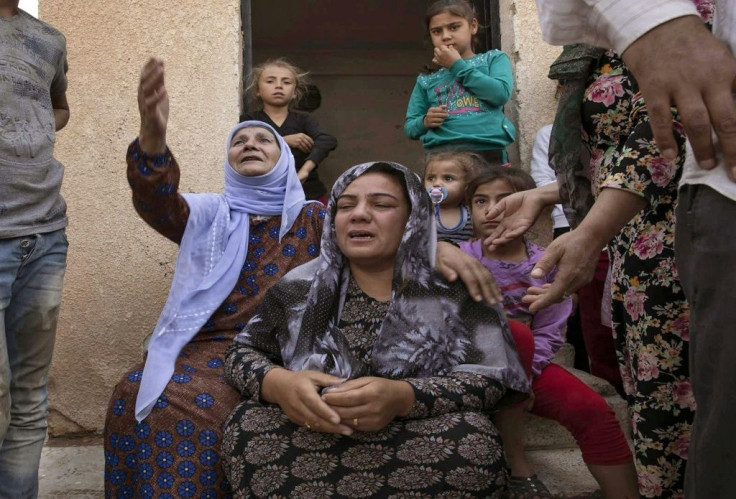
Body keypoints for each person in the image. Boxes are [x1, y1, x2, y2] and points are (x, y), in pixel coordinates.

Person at [105, 58, 503, 499]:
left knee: (197, 407)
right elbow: (156, 201)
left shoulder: (315, 217)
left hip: (294, 340)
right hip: (210, 347)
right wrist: (153, 138)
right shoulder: (205, 215)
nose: (250, 144)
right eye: (240, 140)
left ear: (283, 160)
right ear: (228, 158)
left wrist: (436, 244)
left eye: (263, 139)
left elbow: (380, 236)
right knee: (138, 392)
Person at [486, 2, 728, 495]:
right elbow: (615, 158)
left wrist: (590, 233)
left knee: (700, 417)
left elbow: (666, 139)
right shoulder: (609, 44)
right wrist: (547, 192)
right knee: (661, 416)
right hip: (634, 248)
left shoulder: (688, 24)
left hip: (681, 249)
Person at [221, 161, 531, 497]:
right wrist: (277, 383)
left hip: (420, 433)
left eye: (381, 204)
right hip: (312, 430)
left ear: (414, 218)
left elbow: (491, 378)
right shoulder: (296, 288)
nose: (359, 215)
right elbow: (243, 352)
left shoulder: (455, 285)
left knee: (472, 442)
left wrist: (405, 397)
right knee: (248, 425)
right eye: (346, 206)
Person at [460, 166, 638, 498]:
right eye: (480, 201)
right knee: (513, 332)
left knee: (593, 410)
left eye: (504, 200)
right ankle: (516, 465)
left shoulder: (547, 264)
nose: (491, 210)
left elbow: (550, 332)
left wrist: (525, 377)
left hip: (531, 365)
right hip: (466, 368)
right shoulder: (459, 258)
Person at [0, 2, 70, 496]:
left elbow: (59, 106)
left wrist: (32, 128)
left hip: (44, 233)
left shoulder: (49, 38)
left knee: (29, 396)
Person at [532, 124, 623, 395]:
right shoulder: (551, 132)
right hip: (573, 226)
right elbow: (545, 179)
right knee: (587, 317)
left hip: (620, 227)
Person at [404, 0, 515, 164]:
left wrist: (456, 65)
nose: (445, 36)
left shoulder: (493, 59)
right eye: (436, 31)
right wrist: (425, 121)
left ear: (473, 26)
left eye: (454, 27)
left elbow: (499, 95)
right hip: (442, 158)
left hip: (488, 154)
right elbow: (410, 128)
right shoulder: (427, 80)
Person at [242, 58, 337, 204]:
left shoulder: (303, 120)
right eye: (270, 81)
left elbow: (327, 140)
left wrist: (305, 170)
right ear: (257, 91)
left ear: (294, 93)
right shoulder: (249, 120)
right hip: (262, 194)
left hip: (308, 192)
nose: (279, 86)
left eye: (286, 82)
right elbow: (246, 146)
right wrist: (284, 140)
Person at [424, 150, 485, 243]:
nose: (436, 184)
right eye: (431, 178)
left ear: (467, 185)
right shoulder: (423, 212)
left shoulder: (471, 214)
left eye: (448, 178)